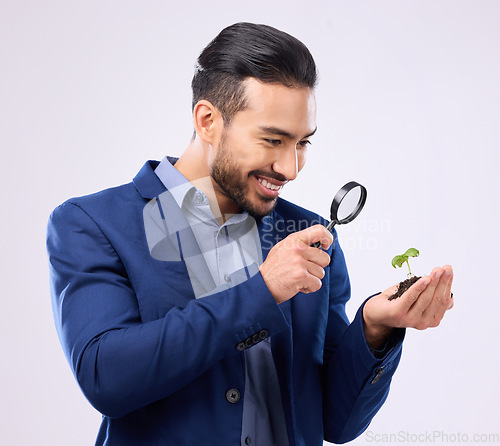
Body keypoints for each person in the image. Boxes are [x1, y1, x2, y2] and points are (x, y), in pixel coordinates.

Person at [46, 22, 454, 446]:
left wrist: (373, 328)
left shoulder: (307, 233)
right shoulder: (90, 224)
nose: (289, 168)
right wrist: (261, 291)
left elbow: (334, 421)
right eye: (273, 140)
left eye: (302, 144)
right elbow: (106, 378)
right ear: (207, 121)